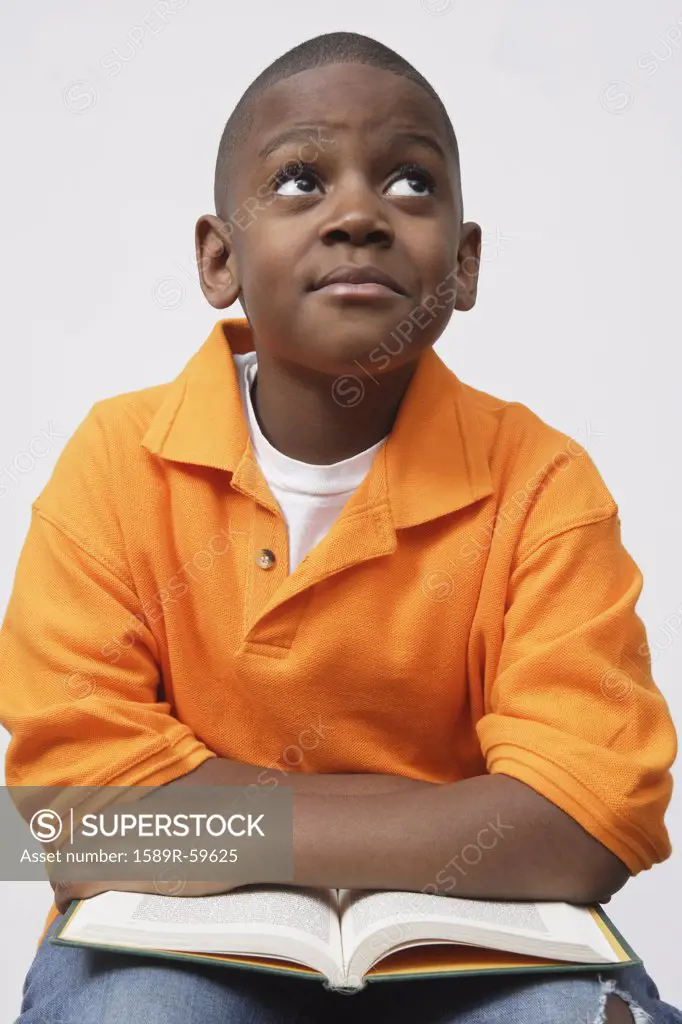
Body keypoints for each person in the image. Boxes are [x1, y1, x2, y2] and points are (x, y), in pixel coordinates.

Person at [2, 30, 680, 1024]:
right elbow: (81, 815)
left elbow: (587, 818)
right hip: (171, 943)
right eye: (298, 180)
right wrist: (445, 810)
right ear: (219, 257)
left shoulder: (542, 482)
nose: (358, 214)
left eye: (410, 182)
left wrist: (218, 814)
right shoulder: (118, 458)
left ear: (464, 263)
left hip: (474, 943)